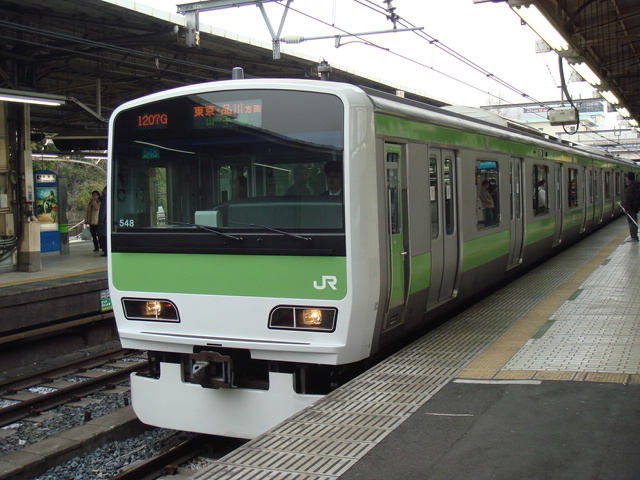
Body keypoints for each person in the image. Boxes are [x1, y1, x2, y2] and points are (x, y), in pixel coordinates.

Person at [621, 172, 639, 242]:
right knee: (634, 221)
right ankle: (635, 236)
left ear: (628, 179)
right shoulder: (636, 186)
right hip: (635, 207)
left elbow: (629, 198)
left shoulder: (630, 188)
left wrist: (626, 208)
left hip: (631, 208)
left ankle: (634, 237)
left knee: (632, 222)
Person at [98, 186, 108, 256]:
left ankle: (105, 250)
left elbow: (103, 210)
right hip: (105, 220)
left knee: (104, 235)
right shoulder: (104, 198)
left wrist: (101, 220)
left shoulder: (105, 199)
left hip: (104, 221)